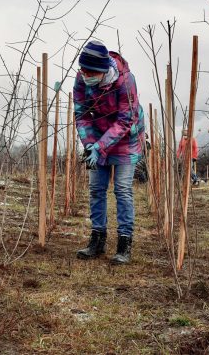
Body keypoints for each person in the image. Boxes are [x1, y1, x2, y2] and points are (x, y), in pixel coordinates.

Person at [73, 40, 145, 265]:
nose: (85, 75)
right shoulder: (81, 80)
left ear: (102, 69)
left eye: (90, 71)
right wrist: (90, 144)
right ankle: (97, 239)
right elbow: (81, 114)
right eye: (82, 70)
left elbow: (126, 119)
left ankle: (124, 242)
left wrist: (101, 146)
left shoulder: (125, 81)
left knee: (122, 189)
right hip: (98, 137)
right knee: (96, 188)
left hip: (127, 138)